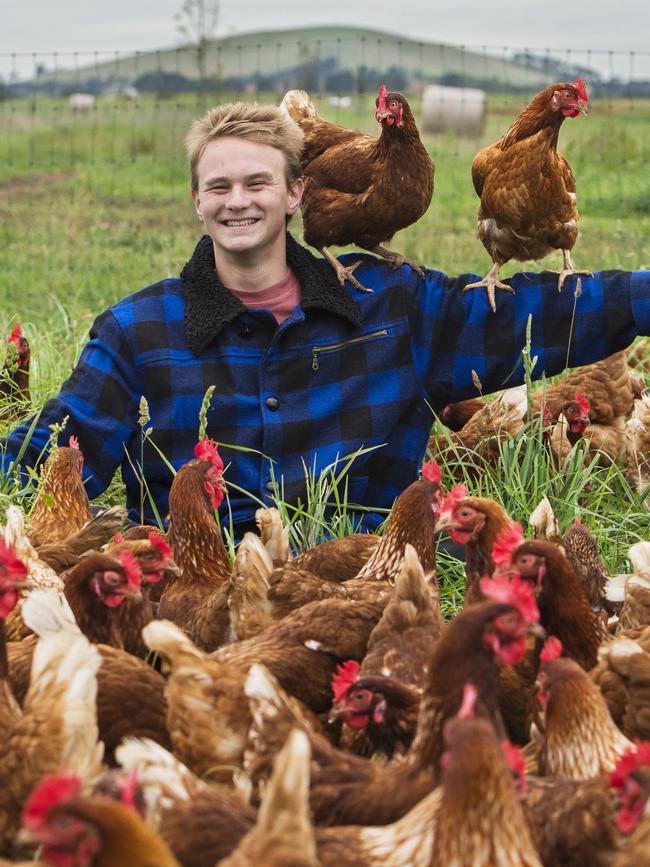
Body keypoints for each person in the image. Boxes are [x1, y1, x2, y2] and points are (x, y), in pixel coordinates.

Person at [2, 100, 650, 536]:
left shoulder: (391, 306)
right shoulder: (139, 330)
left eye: (258, 183)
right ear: (196, 200)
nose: (238, 202)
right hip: (199, 611)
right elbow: (60, 451)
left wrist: (643, 295)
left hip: (366, 603)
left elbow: (534, 313)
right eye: (219, 186)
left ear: (295, 194)